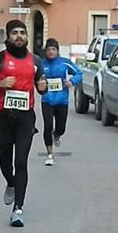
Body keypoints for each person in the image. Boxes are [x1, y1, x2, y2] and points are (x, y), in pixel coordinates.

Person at [0, 19, 47, 227]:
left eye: (22, 33)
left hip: (26, 117)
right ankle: (10, 182)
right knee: (5, 161)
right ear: (8, 37)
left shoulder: (35, 61)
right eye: (15, 33)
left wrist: (42, 88)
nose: (19, 36)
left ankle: (18, 209)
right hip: (3, 115)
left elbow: (41, 86)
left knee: (21, 162)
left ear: (27, 37)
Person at [40, 38, 82, 166]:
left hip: (62, 100)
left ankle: (57, 134)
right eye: (48, 50)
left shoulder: (64, 63)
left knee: (61, 127)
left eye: (53, 49)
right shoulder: (42, 64)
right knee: (47, 126)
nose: (51, 52)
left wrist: (71, 82)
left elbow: (79, 73)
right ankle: (49, 154)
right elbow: (33, 77)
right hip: (47, 99)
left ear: (57, 51)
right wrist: (39, 84)